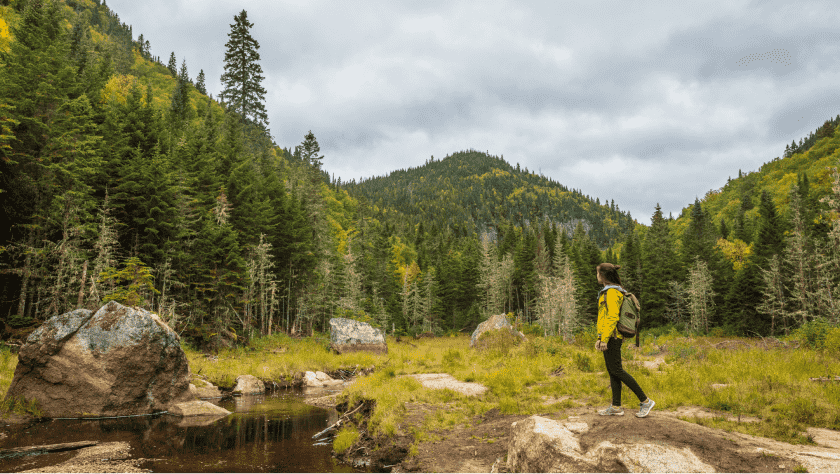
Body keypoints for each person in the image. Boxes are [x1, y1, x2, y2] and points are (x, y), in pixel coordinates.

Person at [594, 262, 655, 418]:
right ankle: (616, 406)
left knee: (617, 370)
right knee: (613, 371)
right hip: (609, 336)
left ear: (603, 275)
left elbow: (613, 316)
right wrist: (600, 337)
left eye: (597, 273)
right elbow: (605, 318)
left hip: (613, 337)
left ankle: (645, 401)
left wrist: (605, 338)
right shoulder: (609, 292)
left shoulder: (613, 293)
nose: (597, 276)